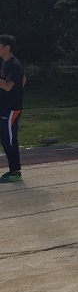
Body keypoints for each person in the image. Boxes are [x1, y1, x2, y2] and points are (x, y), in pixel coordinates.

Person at [0, 35, 24, 183]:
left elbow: (8, 86)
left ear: (6, 47)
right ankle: (13, 170)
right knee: (5, 138)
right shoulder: (5, 63)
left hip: (11, 109)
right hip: (5, 107)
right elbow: (23, 80)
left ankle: (15, 172)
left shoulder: (15, 65)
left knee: (8, 139)